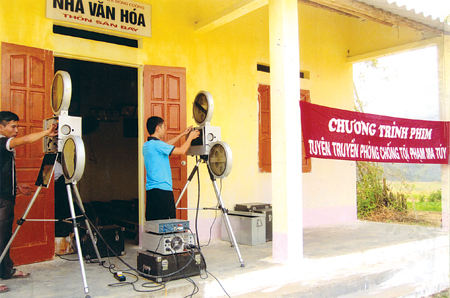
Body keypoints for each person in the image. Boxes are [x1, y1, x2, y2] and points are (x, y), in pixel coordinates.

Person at [0, 111, 57, 293]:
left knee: (5, 236)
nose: (16, 130)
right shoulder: (2, 142)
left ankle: (6, 270)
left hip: (7, 197)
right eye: (13, 126)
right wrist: (47, 133)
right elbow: (25, 141)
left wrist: (17, 186)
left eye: (17, 126)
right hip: (1, 199)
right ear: (1, 127)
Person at [143, 116, 200, 221]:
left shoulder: (147, 145)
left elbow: (165, 145)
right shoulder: (158, 145)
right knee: (168, 224)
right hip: (163, 191)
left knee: (154, 224)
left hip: (152, 192)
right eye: (164, 126)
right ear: (158, 128)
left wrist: (182, 134)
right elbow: (181, 151)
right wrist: (190, 138)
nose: (165, 128)